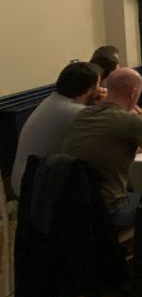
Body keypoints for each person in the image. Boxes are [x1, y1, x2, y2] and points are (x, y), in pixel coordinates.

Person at [61, 68, 142, 227]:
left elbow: (108, 145)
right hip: (109, 209)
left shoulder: (83, 115)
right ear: (133, 92)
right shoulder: (130, 120)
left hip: (72, 206)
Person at [11, 61, 102, 197]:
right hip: (39, 192)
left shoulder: (53, 100)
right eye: (98, 85)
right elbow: (115, 139)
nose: (101, 89)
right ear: (89, 89)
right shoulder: (74, 112)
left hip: (24, 182)